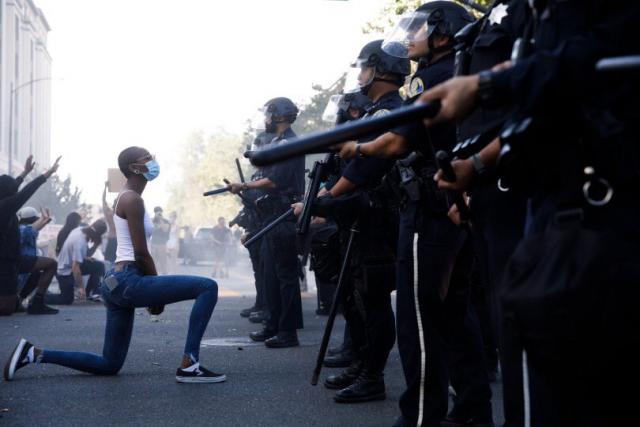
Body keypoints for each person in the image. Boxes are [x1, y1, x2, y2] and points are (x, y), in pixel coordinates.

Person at [419, 2, 639, 425]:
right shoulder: (531, 12)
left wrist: (491, 84)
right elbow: (537, 114)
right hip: (553, 205)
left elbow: (607, 53)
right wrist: (476, 166)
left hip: (613, 206)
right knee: (541, 359)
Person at [339, 4, 493, 425]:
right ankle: (473, 411)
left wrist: (358, 147)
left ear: (442, 34)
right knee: (455, 314)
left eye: (419, 28)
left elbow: (396, 142)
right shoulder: (461, 71)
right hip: (452, 205)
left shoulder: (432, 77)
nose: (410, 37)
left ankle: (421, 417)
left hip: (429, 208)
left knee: (419, 319)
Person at [5, 146, 225, 384]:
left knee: (109, 364)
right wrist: (156, 297)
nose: (153, 161)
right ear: (134, 168)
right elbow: (141, 253)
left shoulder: (128, 196)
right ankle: (190, 364)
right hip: (128, 279)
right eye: (147, 158)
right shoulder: (131, 199)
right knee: (207, 287)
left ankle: (33, 353)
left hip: (117, 282)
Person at [296, 39, 410, 403]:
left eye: (364, 66)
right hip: (361, 218)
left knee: (374, 301)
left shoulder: (390, 111)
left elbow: (363, 168)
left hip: (377, 219)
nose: (360, 74)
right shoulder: (378, 112)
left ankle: (373, 376)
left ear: (379, 68)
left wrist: (325, 198)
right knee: (359, 298)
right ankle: (362, 365)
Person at [228, 97, 305, 348]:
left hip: (284, 214)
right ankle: (273, 325)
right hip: (273, 215)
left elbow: (274, 181)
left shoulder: (288, 143)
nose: (265, 119)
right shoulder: (278, 142)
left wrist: (244, 185)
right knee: (271, 274)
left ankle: (288, 332)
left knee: (285, 276)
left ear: (278, 116)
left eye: (268, 114)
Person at [0, 156, 60, 316]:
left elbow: (15, 185)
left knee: (50, 264)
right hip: (5, 264)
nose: (16, 191)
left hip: (16, 259)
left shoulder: (4, 202)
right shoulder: (4, 206)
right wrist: (46, 174)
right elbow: (25, 193)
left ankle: (37, 302)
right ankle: (14, 301)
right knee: (7, 309)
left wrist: (25, 172)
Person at [45, 219, 108, 305]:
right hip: (65, 271)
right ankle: (41, 297)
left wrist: (94, 246)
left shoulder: (80, 230)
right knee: (66, 299)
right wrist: (80, 287)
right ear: (97, 235)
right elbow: (75, 268)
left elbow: (85, 253)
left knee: (98, 266)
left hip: (71, 264)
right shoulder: (80, 242)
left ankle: (95, 294)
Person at [15, 207, 59, 314]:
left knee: (38, 274)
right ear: (33, 219)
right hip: (17, 271)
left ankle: (18, 301)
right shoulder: (22, 230)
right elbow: (29, 230)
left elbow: (34, 230)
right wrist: (43, 220)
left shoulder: (24, 229)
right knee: (52, 264)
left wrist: (44, 221)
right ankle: (36, 303)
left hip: (21, 272)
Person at [150, 206, 170, 274]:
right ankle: (154, 275)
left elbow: (165, 230)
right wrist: (154, 220)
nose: (158, 214)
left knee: (163, 263)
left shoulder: (166, 221)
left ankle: (165, 275)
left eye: (159, 213)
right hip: (153, 244)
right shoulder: (152, 221)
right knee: (153, 263)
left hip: (162, 245)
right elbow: (150, 230)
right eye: (156, 212)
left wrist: (161, 220)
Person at [102, 182, 118, 265]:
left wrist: (105, 187)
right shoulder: (122, 215)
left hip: (113, 239)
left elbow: (103, 200)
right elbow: (104, 201)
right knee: (114, 262)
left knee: (109, 261)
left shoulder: (110, 214)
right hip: (116, 240)